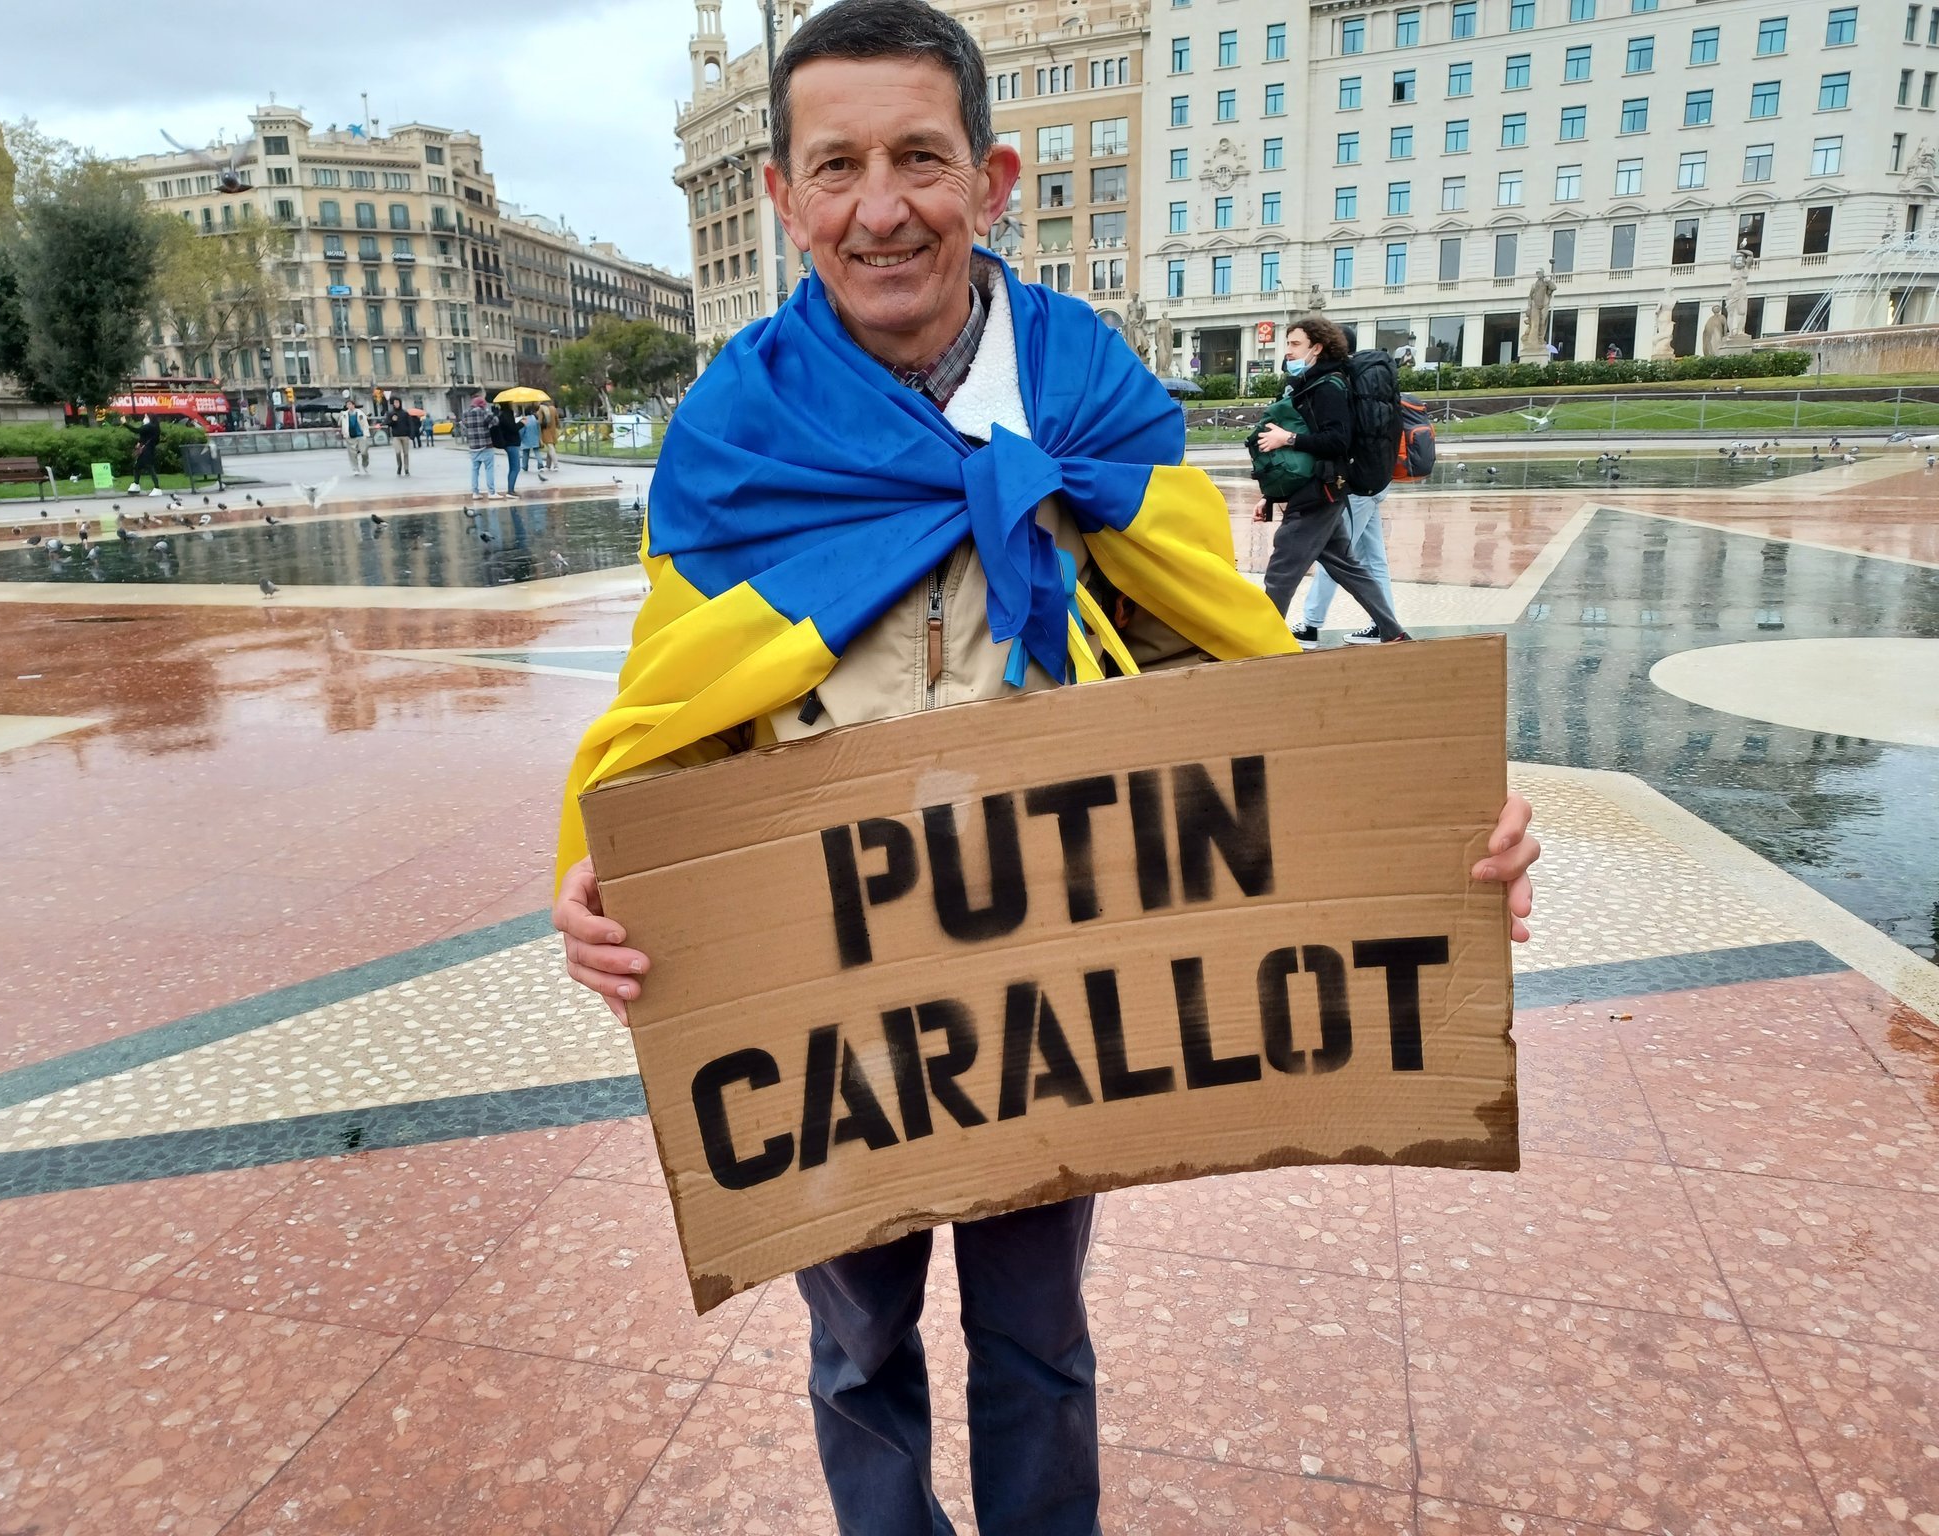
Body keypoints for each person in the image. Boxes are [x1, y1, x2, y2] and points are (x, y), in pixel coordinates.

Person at [551, 5, 1541, 1531]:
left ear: (993, 176)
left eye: (920, 159)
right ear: (782, 197)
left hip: (1052, 995)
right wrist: (598, 875)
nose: (880, 207)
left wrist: (1417, 832)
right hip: (829, 1012)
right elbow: (669, 713)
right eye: (838, 167)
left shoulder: (1087, 387)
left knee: (1037, 1338)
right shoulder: (731, 428)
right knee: (856, 1344)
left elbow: (1223, 671)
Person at [1254, 317, 1409, 643]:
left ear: (1317, 347)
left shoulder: (1329, 386)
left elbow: (1338, 440)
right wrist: (1269, 497)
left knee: (1282, 569)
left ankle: (1260, 642)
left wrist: (1288, 439)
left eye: (1295, 344)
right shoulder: (1315, 382)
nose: (1289, 351)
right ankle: (1393, 633)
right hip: (1323, 489)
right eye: (1288, 343)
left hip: (1320, 492)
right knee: (1347, 566)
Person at [1295, 486, 1399, 646]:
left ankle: (1310, 626)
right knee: (1374, 561)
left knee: (1335, 556)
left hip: (1357, 490)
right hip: (1375, 485)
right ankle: (1385, 625)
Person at [460, 392, 497, 499]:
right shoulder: (484, 413)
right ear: (482, 405)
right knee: (489, 468)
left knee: (475, 469)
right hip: (486, 445)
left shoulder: (466, 414)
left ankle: (475, 492)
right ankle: (491, 492)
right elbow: (495, 422)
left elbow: (464, 426)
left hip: (473, 446)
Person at [491, 400, 522, 497]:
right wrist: (522, 423)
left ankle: (511, 489)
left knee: (513, 467)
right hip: (511, 443)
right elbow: (512, 428)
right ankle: (510, 490)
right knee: (515, 468)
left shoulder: (501, 414)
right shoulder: (507, 414)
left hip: (507, 442)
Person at [127, 414, 162, 494]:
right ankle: (136, 484)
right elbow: (143, 436)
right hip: (145, 450)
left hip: (147, 451)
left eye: (145, 417)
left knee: (150, 467)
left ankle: (157, 488)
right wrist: (139, 442)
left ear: (150, 418)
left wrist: (125, 423)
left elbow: (136, 430)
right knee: (137, 467)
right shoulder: (151, 427)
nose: (144, 419)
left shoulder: (150, 426)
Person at [340, 397, 371, 475]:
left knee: (364, 452)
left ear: (353, 405)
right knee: (352, 454)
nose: (349, 406)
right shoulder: (344, 414)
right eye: (347, 405)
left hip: (360, 435)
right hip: (350, 436)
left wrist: (366, 434)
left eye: (350, 404)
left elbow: (365, 424)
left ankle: (365, 465)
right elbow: (340, 423)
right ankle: (355, 469)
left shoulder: (360, 413)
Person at [386, 399, 415, 476]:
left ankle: (406, 469)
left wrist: (411, 435)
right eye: (395, 403)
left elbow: (410, 424)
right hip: (396, 436)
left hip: (405, 435)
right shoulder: (391, 413)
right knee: (398, 452)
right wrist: (393, 421)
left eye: (397, 402)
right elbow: (387, 423)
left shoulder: (405, 413)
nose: (396, 404)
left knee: (406, 453)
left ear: (400, 403)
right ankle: (399, 465)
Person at [520, 406, 544, 479]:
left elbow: (522, 431)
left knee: (525, 453)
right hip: (535, 437)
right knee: (537, 451)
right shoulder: (534, 419)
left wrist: (520, 437)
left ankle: (525, 466)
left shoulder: (524, 420)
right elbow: (538, 428)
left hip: (526, 438)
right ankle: (540, 464)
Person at [538, 397, 560, 469]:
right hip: (553, 430)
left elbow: (540, 421)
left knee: (550, 448)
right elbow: (557, 420)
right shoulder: (553, 408)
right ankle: (548, 464)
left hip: (545, 431)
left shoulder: (541, 409)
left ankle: (556, 465)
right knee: (551, 447)